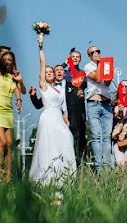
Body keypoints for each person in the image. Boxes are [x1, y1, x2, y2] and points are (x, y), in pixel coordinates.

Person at [29, 34, 76, 184]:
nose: (48, 73)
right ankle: (45, 177)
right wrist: (41, 47)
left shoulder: (57, 89)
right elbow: (42, 64)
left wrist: (65, 119)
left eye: (51, 72)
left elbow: (61, 108)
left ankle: (63, 176)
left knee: (66, 139)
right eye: (47, 72)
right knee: (49, 145)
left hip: (58, 118)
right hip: (48, 117)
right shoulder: (43, 87)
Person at [0, 14, 25, 180]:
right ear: (2, 60)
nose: (7, 61)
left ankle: (7, 177)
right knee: (1, 143)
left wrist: (20, 81)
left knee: (9, 146)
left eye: (10, 59)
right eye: (5, 59)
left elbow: (21, 91)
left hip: (7, 112)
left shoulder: (12, 77)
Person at [84, 44, 114, 170]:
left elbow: (107, 82)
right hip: (93, 103)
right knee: (96, 136)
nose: (96, 53)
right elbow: (97, 78)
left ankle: (107, 167)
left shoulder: (107, 65)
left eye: (98, 51)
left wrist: (107, 68)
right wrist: (100, 63)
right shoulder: (88, 67)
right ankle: (98, 167)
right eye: (93, 52)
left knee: (107, 136)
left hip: (106, 103)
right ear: (89, 56)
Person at [63, 48, 88, 163]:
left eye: (77, 57)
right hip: (68, 107)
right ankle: (68, 159)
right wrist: (64, 64)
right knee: (69, 133)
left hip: (80, 107)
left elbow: (86, 87)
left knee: (81, 133)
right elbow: (54, 73)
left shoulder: (83, 73)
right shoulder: (64, 73)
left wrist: (82, 92)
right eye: (73, 57)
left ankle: (80, 160)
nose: (75, 59)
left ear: (80, 59)